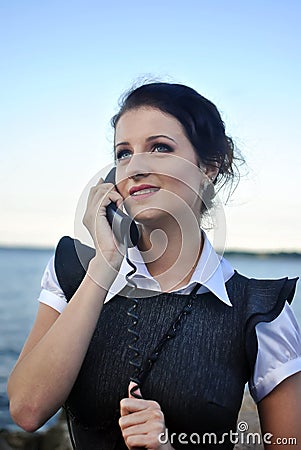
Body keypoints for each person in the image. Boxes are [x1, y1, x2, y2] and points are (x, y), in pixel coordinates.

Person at [8, 82, 301, 450]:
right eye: (123, 153)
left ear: (209, 167)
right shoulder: (72, 271)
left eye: (160, 147)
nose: (136, 167)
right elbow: (27, 410)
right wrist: (106, 263)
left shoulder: (260, 310)